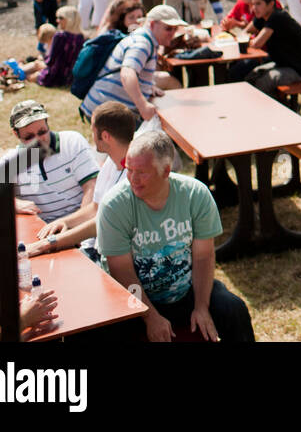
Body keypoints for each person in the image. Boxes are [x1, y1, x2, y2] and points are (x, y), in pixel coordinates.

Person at [98, 130, 254, 341]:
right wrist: (149, 316)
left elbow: (203, 256)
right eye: (129, 169)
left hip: (185, 290)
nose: (133, 179)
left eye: (142, 172)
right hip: (134, 297)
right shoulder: (114, 206)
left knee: (234, 309)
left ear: (166, 171)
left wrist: (201, 307)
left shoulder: (195, 194)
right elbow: (122, 271)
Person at [24, 101, 139, 261]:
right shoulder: (110, 163)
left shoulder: (134, 175)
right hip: (99, 248)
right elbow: (95, 208)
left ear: (105, 136)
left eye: (93, 130)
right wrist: (63, 222)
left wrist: (47, 244)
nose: (91, 135)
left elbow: (103, 223)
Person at [79, 4, 185, 125]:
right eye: (168, 28)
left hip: (104, 106)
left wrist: (148, 86)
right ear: (152, 25)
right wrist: (143, 105)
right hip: (105, 112)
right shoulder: (142, 44)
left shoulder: (145, 39)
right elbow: (127, 74)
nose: (172, 33)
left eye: (175, 29)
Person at [7, 100, 100, 223]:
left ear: (47, 124)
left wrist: (75, 227)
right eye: (29, 137)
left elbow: (92, 187)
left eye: (42, 132)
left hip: (81, 223)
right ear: (16, 134)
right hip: (42, 231)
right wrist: (15, 204)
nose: (38, 140)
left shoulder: (71, 142)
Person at [241, 0, 301, 98]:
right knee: (252, 77)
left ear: (271, 4)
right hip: (282, 64)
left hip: (298, 68)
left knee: (264, 82)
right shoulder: (262, 16)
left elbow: (257, 44)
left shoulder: (277, 17)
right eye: (253, 4)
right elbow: (244, 33)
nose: (254, 8)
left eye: (258, 4)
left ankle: (279, 109)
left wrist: (244, 40)